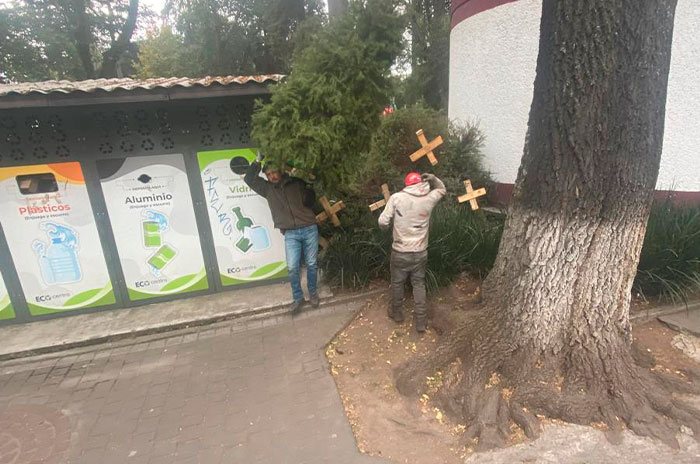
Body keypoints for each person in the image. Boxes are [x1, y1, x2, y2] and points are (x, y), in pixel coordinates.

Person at [243, 152, 319, 314]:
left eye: (274, 172)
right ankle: (298, 299)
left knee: (312, 264)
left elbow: (312, 178)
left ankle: (313, 292)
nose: (271, 177)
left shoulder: (296, 182)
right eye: (268, 174)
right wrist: (258, 160)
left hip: (309, 227)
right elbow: (249, 179)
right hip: (290, 233)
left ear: (281, 171)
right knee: (292, 267)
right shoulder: (267, 188)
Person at [378, 172, 446, 332]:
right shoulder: (430, 198)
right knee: (419, 284)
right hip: (420, 253)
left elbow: (382, 221)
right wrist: (434, 179)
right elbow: (442, 189)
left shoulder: (397, 198)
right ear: (421, 183)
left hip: (400, 251)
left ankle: (397, 314)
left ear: (407, 184)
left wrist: (387, 228)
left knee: (397, 283)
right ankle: (421, 322)